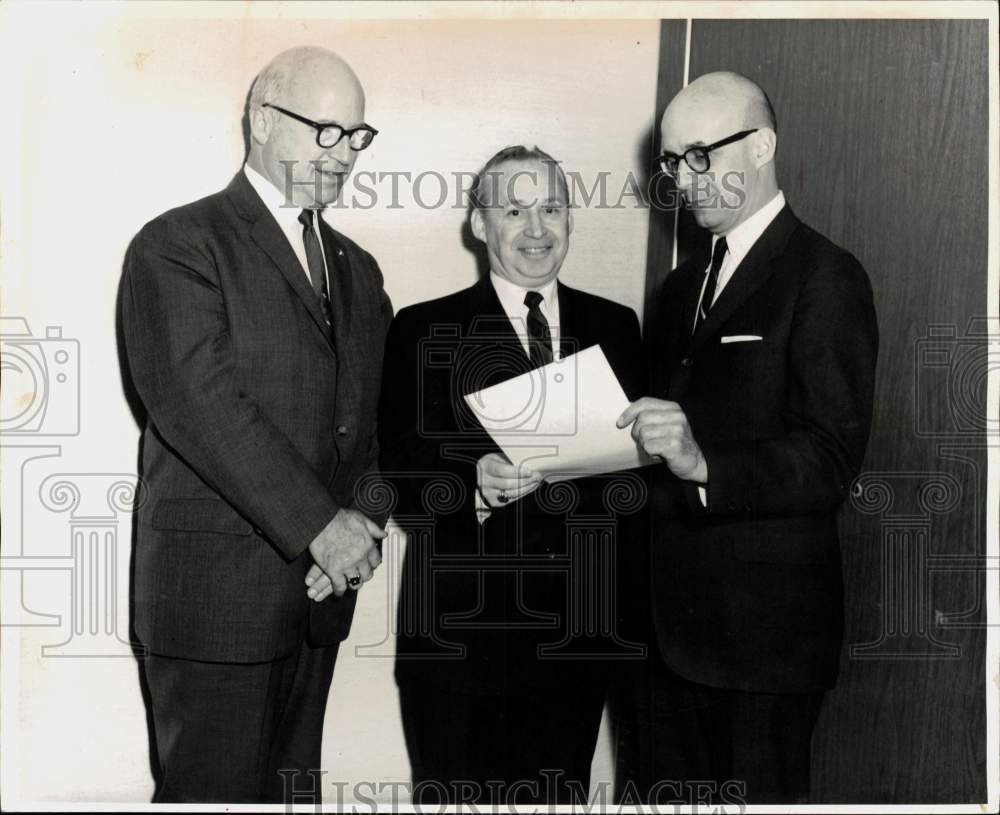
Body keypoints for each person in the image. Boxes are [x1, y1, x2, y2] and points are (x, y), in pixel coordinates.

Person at [121, 46, 392, 803]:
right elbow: (203, 406)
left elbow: (367, 424)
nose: (343, 155)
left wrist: (364, 521)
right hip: (215, 610)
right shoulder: (178, 244)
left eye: (357, 136)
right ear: (264, 120)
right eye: (326, 131)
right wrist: (321, 526)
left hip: (317, 601)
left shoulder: (358, 268)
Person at [617, 72, 878, 804]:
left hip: (764, 646)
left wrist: (705, 464)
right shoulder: (677, 290)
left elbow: (829, 458)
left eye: (699, 155)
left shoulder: (825, 277)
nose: (682, 179)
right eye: (671, 161)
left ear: (762, 145)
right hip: (664, 639)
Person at [378, 146, 646, 805]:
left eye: (551, 208)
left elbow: (636, 487)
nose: (535, 229)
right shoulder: (422, 328)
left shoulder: (617, 326)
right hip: (460, 646)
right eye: (514, 209)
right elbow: (397, 470)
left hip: (576, 647)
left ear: (570, 219)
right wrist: (472, 485)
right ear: (479, 224)